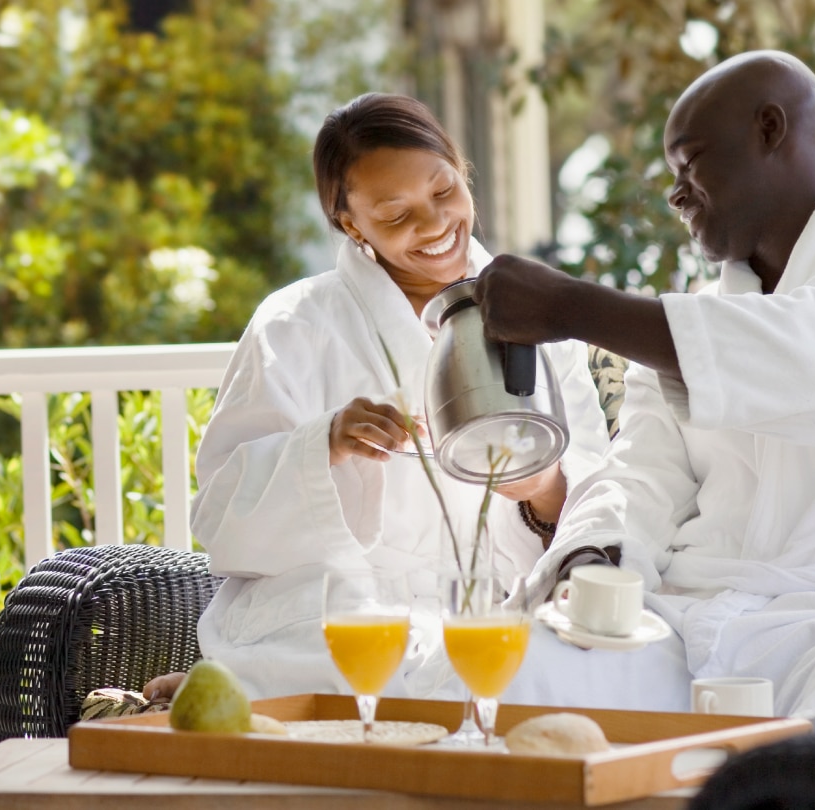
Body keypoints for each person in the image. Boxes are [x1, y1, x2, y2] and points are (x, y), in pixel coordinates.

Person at [476, 50, 815, 737]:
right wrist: (594, 551)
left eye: (690, 163)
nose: (675, 196)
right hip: (686, 618)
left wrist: (570, 307)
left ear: (770, 129)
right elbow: (641, 475)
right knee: (507, 676)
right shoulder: (686, 324)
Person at [178, 93, 613, 701]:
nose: (433, 225)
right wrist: (322, 446)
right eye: (395, 213)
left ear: (461, 169)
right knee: (373, 671)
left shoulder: (536, 314)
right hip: (337, 614)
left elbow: (603, 497)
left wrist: (542, 490)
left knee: (584, 663)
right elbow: (221, 519)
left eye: (443, 191)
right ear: (350, 222)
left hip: (490, 609)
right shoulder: (294, 324)